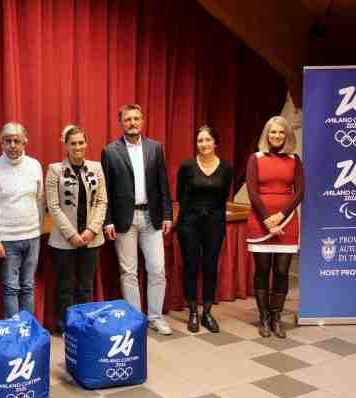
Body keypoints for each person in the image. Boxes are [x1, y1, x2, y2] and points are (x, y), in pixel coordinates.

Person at [101, 104, 174, 335]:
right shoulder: (110, 151)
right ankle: (135, 319)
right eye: (127, 119)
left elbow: (163, 183)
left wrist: (168, 215)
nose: (132, 122)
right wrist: (108, 220)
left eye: (136, 118)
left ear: (142, 121)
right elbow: (106, 190)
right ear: (120, 122)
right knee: (128, 271)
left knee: (157, 269)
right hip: (124, 218)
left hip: (151, 216)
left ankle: (155, 317)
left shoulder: (155, 148)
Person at [246, 116, 303, 339]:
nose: (277, 136)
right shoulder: (255, 158)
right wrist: (268, 218)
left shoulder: (294, 159)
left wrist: (280, 215)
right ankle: (264, 319)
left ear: (287, 135)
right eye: (273, 132)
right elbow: (252, 191)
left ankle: (276, 317)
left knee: (281, 271)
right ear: (266, 135)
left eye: (281, 132)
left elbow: (299, 192)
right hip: (260, 222)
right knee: (262, 271)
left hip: (287, 221)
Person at [46, 125, 107, 333]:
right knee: (65, 287)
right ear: (66, 145)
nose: (78, 146)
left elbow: (101, 202)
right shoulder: (55, 170)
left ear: (86, 143)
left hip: (92, 238)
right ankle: (66, 326)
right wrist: (71, 234)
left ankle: (85, 325)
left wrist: (92, 230)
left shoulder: (96, 168)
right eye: (73, 143)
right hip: (64, 240)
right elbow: (53, 206)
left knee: (85, 286)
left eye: (81, 142)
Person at [0, 122, 44, 318]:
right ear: (1, 143)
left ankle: (28, 331)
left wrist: (38, 230)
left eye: (17, 141)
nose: (13, 145)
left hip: (32, 237)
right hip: (6, 240)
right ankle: (14, 333)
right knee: (10, 288)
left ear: (25, 142)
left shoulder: (35, 166)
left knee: (28, 286)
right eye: (8, 141)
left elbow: (40, 200)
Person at [176, 126, 233, 333]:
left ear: (215, 143)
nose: (204, 144)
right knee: (191, 267)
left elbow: (224, 196)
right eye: (200, 140)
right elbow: (180, 195)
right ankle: (193, 312)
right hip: (189, 223)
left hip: (214, 224)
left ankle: (207, 313)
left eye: (208, 140)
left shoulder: (226, 168)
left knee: (210, 267)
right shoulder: (187, 167)